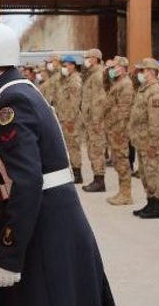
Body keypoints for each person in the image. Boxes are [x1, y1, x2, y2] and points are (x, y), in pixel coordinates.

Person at [0, 22, 117, 306]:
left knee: (49, 302)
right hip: (47, 216)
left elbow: (26, 181)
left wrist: (10, 253)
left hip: (49, 222)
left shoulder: (11, 99)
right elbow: (2, 176)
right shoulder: (14, 90)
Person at [129, 58, 159, 219]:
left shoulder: (155, 91)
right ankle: (150, 202)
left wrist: (153, 143)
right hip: (141, 140)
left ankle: (156, 206)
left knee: (153, 172)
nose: (139, 74)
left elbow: (155, 121)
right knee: (145, 173)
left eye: (142, 71)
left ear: (150, 72)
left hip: (149, 141)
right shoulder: (144, 89)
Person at [104, 56, 134, 206]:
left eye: (115, 67)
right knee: (117, 160)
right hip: (113, 128)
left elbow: (124, 110)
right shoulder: (117, 82)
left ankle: (126, 193)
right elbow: (105, 84)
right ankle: (122, 191)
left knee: (122, 161)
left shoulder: (126, 85)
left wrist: (119, 132)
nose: (112, 70)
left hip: (119, 130)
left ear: (122, 68)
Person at [82, 48, 108, 192]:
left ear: (95, 59)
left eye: (88, 57)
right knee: (92, 149)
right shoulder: (91, 75)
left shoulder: (98, 75)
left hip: (95, 121)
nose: (86, 60)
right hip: (90, 120)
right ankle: (96, 178)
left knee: (97, 149)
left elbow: (99, 100)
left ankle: (100, 180)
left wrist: (97, 121)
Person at [54, 55, 83, 184]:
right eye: (63, 65)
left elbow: (75, 102)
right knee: (67, 146)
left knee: (73, 146)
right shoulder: (66, 79)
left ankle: (77, 173)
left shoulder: (75, 80)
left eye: (66, 65)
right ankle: (71, 171)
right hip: (63, 118)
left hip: (71, 120)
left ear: (72, 66)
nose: (64, 68)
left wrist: (70, 120)